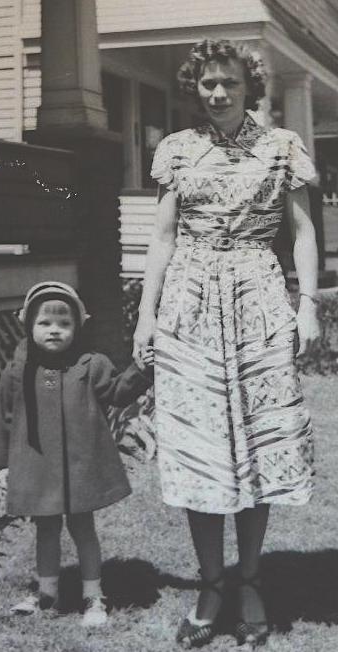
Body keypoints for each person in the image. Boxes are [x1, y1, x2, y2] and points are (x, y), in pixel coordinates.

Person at [133, 39, 320, 649]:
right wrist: (146, 317)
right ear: (197, 88)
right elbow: (161, 239)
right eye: (208, 84)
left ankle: (251, 578)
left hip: (258, 300)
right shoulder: (178, 150)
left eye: (229, 84)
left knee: (259, 444)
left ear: (250, 89)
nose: (217, 93)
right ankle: (211, 584)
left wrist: (308, 305)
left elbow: (302, 233)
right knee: (200, 446)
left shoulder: (280, 148)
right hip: (188, 305)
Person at [0, 281, 153, 626]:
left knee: (83, 528)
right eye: (44, 323)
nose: (54, 331)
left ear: (77, 327)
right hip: (38, 467)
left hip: (79, 468)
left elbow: (118, 392)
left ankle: (94, 596)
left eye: (64, 324)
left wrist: (141, 370)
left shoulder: (90, 365)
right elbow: (4, 419)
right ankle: (48, 594)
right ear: (29, 325)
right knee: (45, 530)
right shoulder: (18, 370)